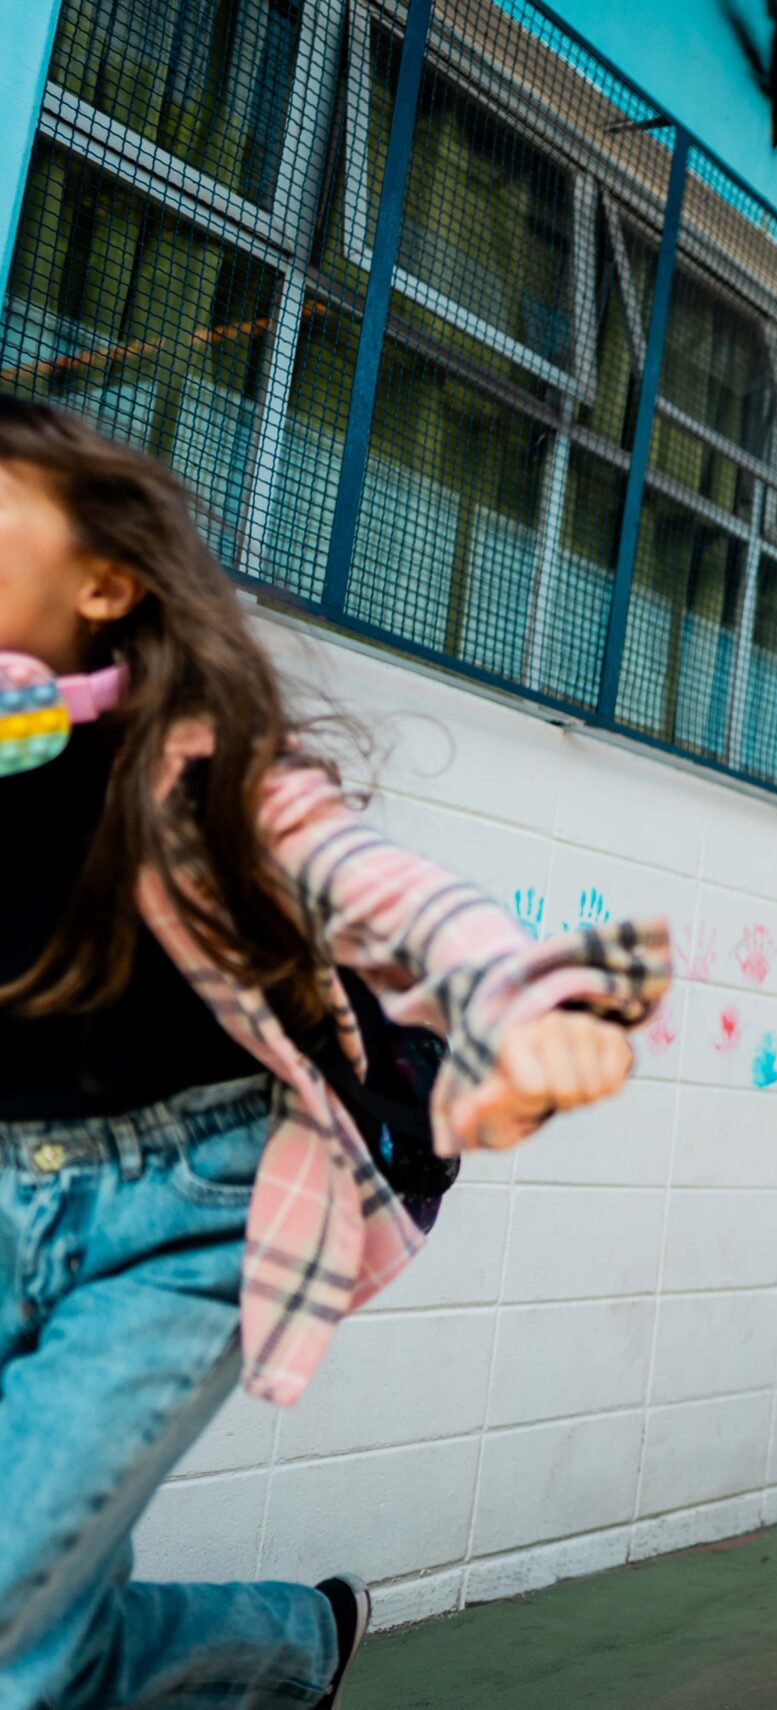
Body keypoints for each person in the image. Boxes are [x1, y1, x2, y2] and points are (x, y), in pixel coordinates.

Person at [0, 398, 671, 1710]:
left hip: (181, 1218)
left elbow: (389, 889)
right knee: (37, 1632)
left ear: (106, 583)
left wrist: (516, 1001)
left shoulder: (204, 767)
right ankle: (301, 1648)